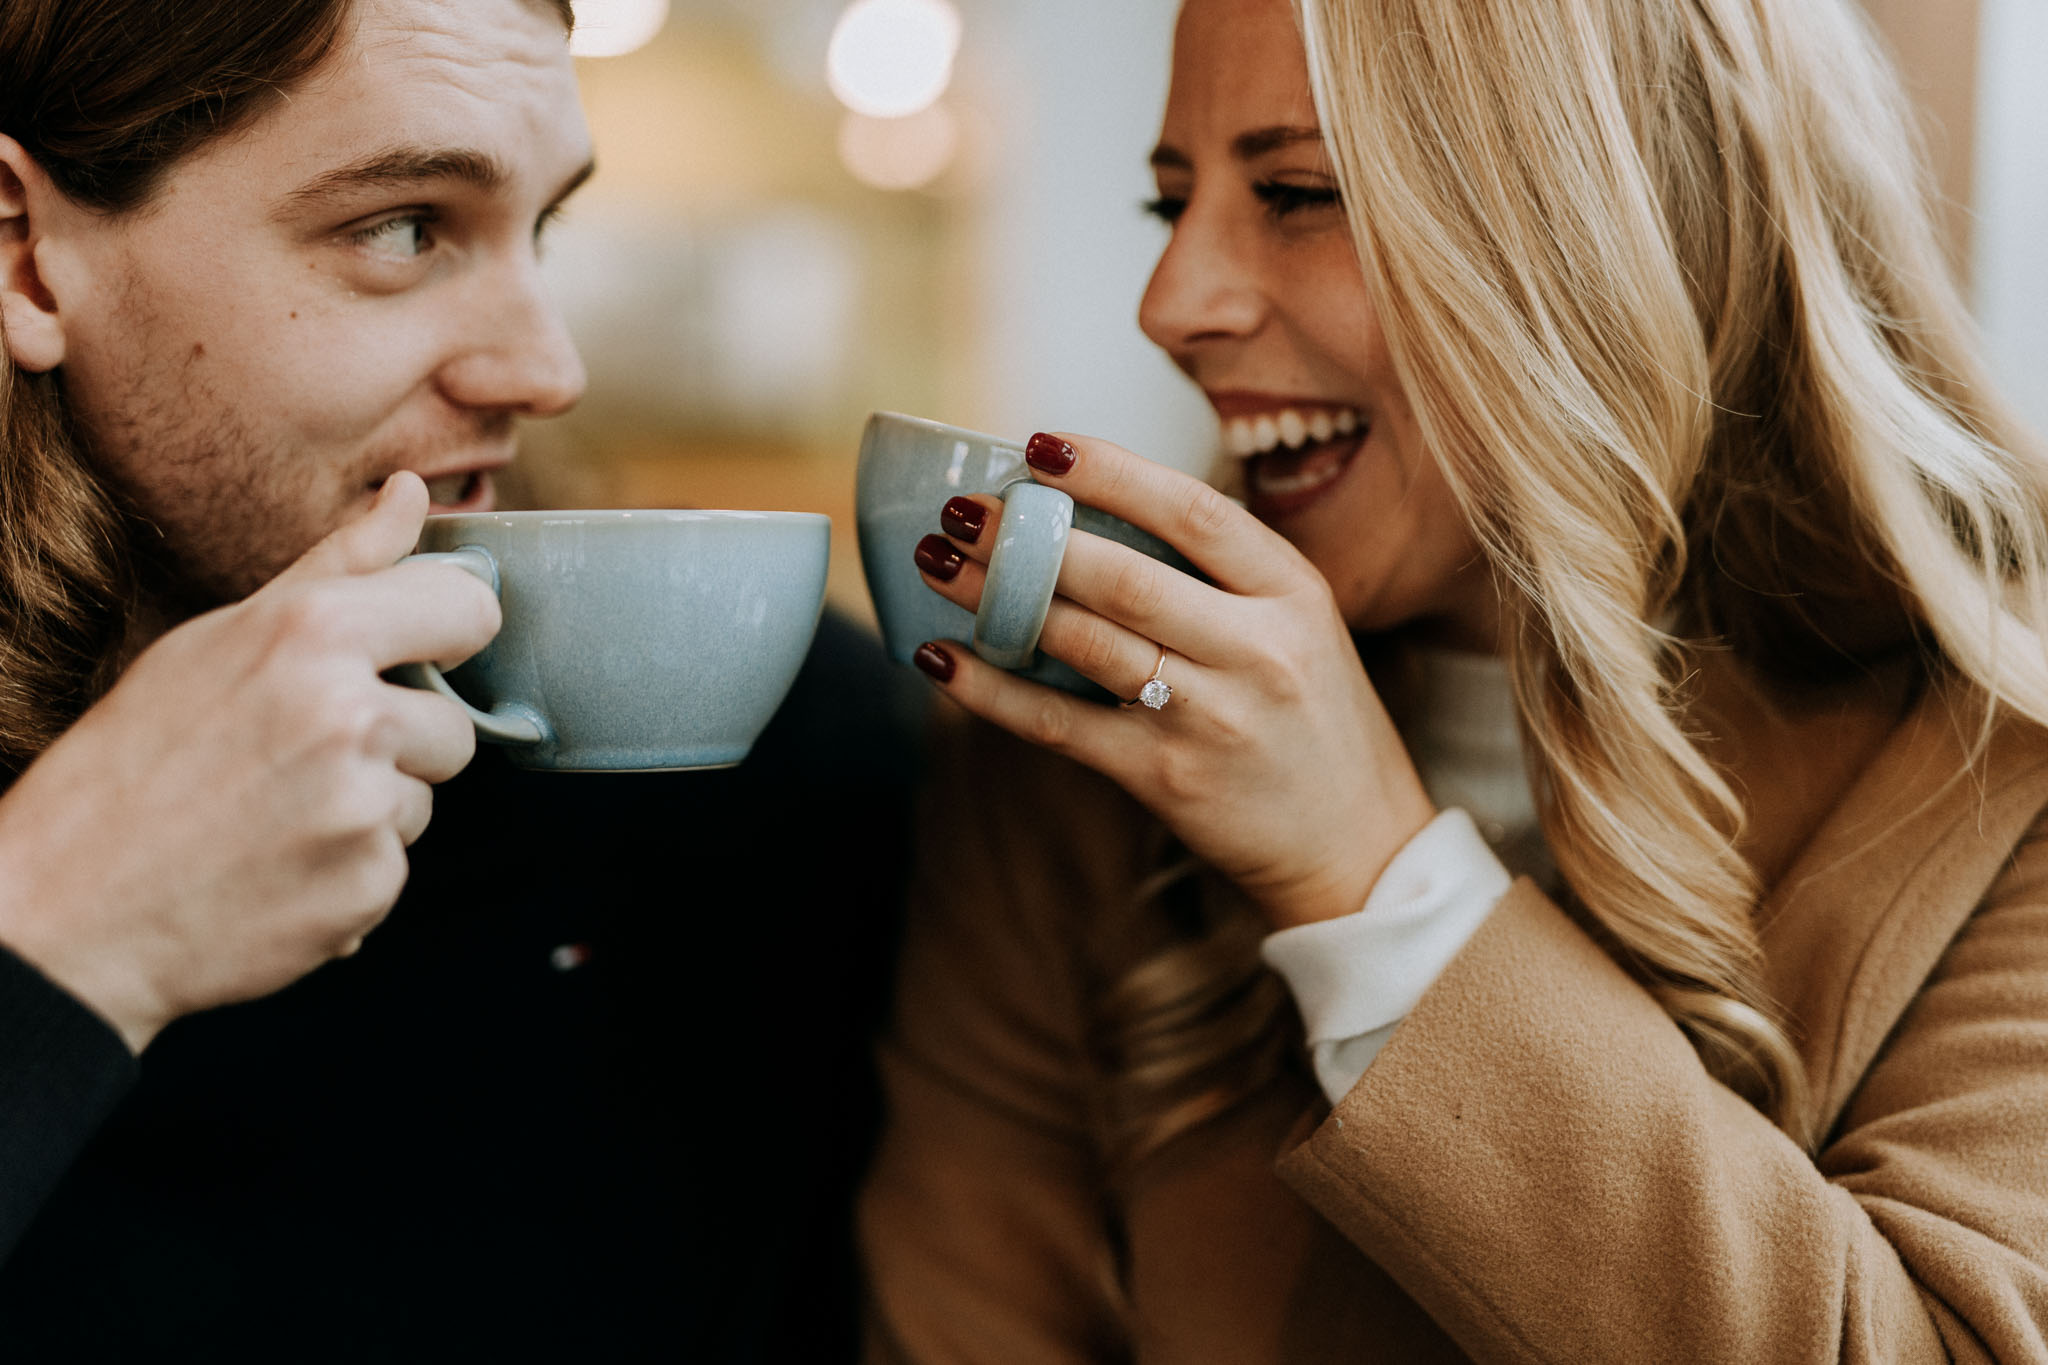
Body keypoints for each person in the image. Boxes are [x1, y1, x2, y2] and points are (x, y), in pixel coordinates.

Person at [858, 0, 2048, 1358]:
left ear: (1620, 225)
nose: (1170, 305)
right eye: (1168, 204)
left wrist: (1376, 882)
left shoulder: (2004, 777)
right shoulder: (1069, 759)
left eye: (1297, 192)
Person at [0, 1, 921, 1358]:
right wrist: (64, 930)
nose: (549, 370)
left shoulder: (784, 760)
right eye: (404, 227)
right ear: (27, 261)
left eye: (544, 229)